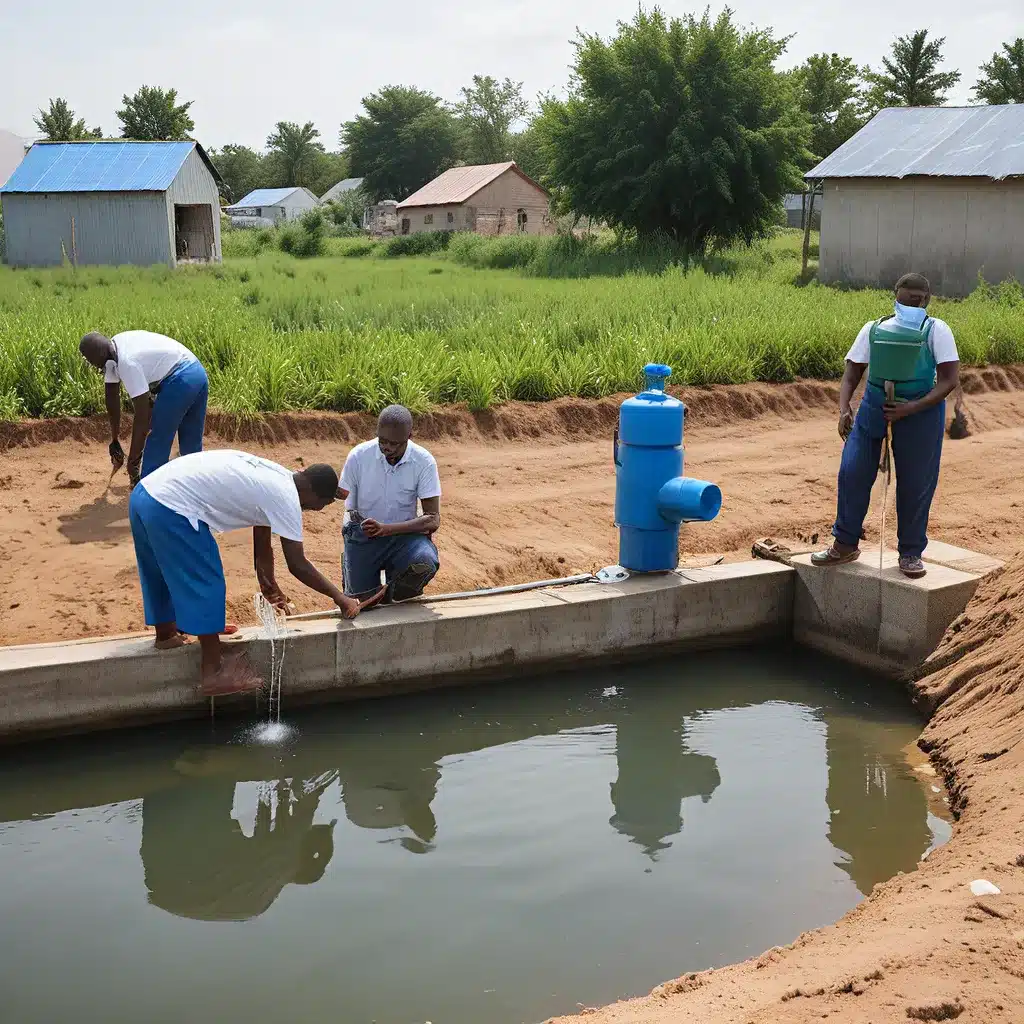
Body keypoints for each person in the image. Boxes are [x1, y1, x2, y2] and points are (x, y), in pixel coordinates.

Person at [129, 449, 373, 696]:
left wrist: (268, 583)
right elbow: (297, 564)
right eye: (321, 505)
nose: (314, 510)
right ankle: (213, 674)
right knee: (205, 580)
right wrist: (340, 598)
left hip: (145, 494)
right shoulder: (287, 497)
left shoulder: (279, 477)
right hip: (172, 507)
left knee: (157, 571)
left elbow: (262, 537)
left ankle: (167, 635)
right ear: (315, 496)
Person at [812, 273, 960, 578]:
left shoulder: (936, 331)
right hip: (874, 407)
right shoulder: (874, 329)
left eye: (919, 299)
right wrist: (844, 410)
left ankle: (910, 552)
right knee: (853, 470)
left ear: (927, 300)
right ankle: (844, 543)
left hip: (920, 410)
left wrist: (910, 408)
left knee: (916, 482)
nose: (913, 303)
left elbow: (948, 381)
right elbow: (852, 374)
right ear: (895, 295)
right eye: (907, 297)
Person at [340, 404, 442, 603]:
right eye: (383, 441)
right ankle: (360, 582)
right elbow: (342, 494)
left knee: (425, 562)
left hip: (405, 537)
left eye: (395, 443)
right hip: (363, 536)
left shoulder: (423, 461)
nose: (387, 447)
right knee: (363, 604)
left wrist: (386, 529)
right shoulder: (359, 456)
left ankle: (394, 594)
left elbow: (433, 520)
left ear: (409, 437)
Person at [79, 330, 209, 485]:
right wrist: (114, 440)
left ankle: (150, 491)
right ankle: (196, 490)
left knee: (157, 437)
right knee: (191, 446)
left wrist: (133, 461)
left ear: (97, 355)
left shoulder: (127, 363)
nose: (89, 363)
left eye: (88, 359)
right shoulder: (113, 349)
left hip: (180, 379)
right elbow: (111, 397)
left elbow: (143, 414)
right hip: (197, 373)